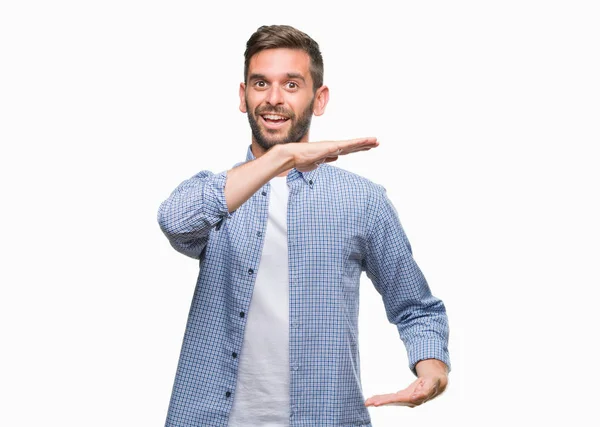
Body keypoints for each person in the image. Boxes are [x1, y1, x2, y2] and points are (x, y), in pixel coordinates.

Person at [157, 24, 450, 427]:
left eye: (291, 85)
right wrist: (282, 158)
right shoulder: (215, 194)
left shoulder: (362, 200)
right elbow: (174, 222)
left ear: (319, 98)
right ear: (243, 97)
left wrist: (432, 370)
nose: (274, 98)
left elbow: (416, 308)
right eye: (261, 83)